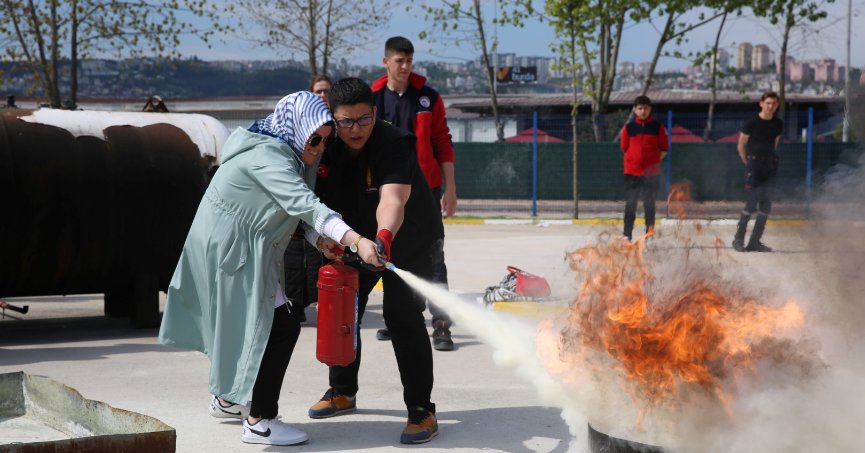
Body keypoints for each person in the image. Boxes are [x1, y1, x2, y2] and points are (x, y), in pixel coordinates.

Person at [158, 91, 382, 446]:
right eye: (315, 138)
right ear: (297, 129)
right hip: (235, 250)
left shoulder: (286, 152)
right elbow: (303, 202)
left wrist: (318, 239)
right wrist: (357, 241)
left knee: (242, 323)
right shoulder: (269, 158)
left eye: (326, 140)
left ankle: (227, 399)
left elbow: (290, 211)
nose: (320, 147)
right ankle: (260, 420)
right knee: (280, 325)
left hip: (236, 246)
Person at [308, 77, 442, 444]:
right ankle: (342, 391)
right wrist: (330, 240)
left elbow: (392, 201)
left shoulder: (393, 142)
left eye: (364, 120)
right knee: (343, 307)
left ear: (375, 113)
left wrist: (383, 238)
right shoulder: (324, 144)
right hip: (354, 238)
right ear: (333, 118)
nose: (356, 130)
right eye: (347, 121)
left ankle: (421, 410)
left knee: (401, 317)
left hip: (408, 239)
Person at [370, 36, 457, 351]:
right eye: (399, 61)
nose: (405, 67)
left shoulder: (428, 98)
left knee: (434, 255)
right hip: (387, 191)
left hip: (427, 192)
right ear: (386, 62)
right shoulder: (373, 99)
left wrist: (451, 189)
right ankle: (401, 318)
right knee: (392, 254)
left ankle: (442, 322)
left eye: (409, 61)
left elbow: (442, 143)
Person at [281, 74, 334, 324]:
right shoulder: (292, 143)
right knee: (292, 257)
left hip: (319, 208)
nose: (323, 96)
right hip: (299, 211)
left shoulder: (331, 134)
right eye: (318, 91)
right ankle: (295, 302)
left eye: (327, 91)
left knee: (316, 257)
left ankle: (317, 298)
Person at [732, 91, 783, 252]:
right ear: (761, 103)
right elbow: (741, 145)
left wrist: (771, 160)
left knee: (766, 204)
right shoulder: (751, 123)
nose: (770, 106)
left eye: (774, 103)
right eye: (768, 103)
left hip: (770, 165)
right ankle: (738, 239)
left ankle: (755, 242)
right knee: (752, 202)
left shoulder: (778, 123)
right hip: (754, 165)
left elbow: (775, 143)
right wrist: (747, 162)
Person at [619, 95, 668, 241]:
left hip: (651, 174)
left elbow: (664, 149)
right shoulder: (629, 128)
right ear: (635, 110)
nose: (643, 111)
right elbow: (624, 147)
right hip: (632, 173)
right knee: (630, 204)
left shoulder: (657, 127)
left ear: (650, 109)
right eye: (640, 108)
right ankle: (627, 235)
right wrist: (634, 161)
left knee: (649, 204)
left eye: (645, 108)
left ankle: (649, 234)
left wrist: (652, 162)